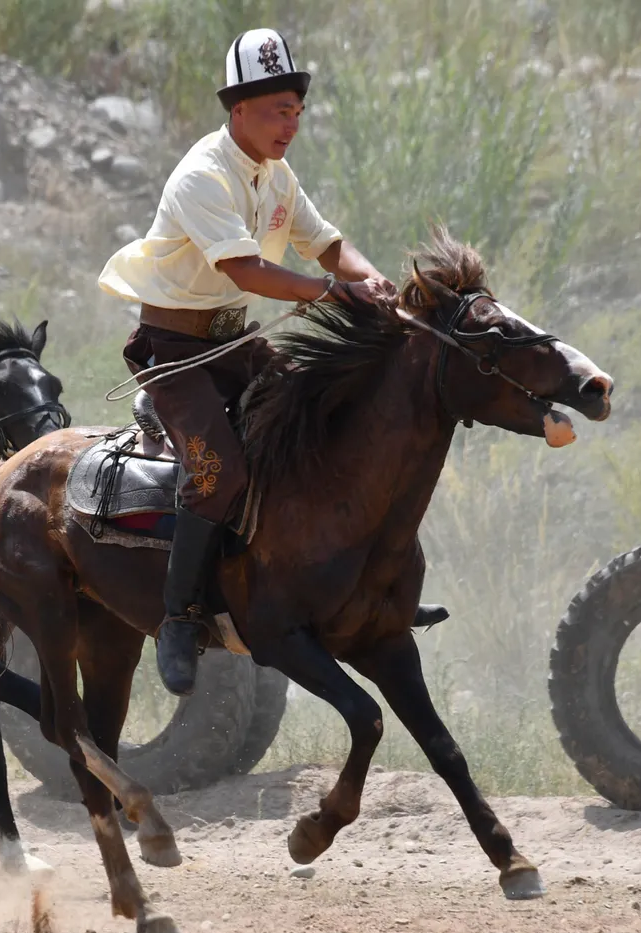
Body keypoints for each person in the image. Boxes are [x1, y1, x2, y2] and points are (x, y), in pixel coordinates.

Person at [98, 28, 401, 697]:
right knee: (220, 473)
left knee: (324, 429)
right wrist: (337, 293)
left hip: (234, 342)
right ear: (237, 111)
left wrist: (379, 290)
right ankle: (178, 618)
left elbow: (328, 246)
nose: (289, 123)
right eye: (275, 110)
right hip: (175, 352)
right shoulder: (202, 175)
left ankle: (346, 587)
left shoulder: (278, 174)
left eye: (295, 110)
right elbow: (244, 267)